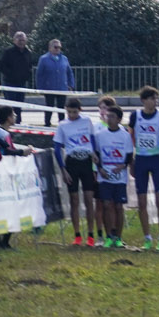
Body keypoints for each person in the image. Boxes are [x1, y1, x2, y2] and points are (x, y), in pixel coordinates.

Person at [51, 97, 98, 246]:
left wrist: (94, 155)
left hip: (86, 162)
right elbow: (57, 149)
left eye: (74, 112)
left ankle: (90, 235)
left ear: (80, 110)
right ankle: (77, 235)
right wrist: (63, 169)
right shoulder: (62, 125)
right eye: (69, 112)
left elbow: (92, 139)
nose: (71, 115)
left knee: (89, 199)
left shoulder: (86, 121)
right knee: (74, 200)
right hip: (72, 162)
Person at [128, 86, 159, 251]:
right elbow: (130, 137)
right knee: (142, 202)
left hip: (157, 160)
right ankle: (147, 238)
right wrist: (131, 160)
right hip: (141, 160)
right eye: (152, 98)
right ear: (144, 100)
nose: (155, 101)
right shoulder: (135, 116)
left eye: (156, 99)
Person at [92, 103, 133, 249]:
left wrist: (122, 166)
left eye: (112, 117)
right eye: (108, 116)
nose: (109, 119)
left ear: (119, 119)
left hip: (119, 177)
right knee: (106, 205)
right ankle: (108, 236)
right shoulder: (100, 135)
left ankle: (118, 238)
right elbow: (96, 155)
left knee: (119, 206)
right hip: (105, 176)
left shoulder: (125, 135)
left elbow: (129, 155)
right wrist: (100, 169)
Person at [34, 38, 74, 126]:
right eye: (55, 47)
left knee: (61, 108)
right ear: (50, 48)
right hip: (49, 88)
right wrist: (40, 88)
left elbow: (69, 72)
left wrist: (71, 84)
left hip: (62, 88)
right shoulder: (44, 59)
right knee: (49, 107)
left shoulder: (64, 59)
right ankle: (47, 124)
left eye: (59, 47)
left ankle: (62, 125)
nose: (58, 49)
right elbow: (39, 75)